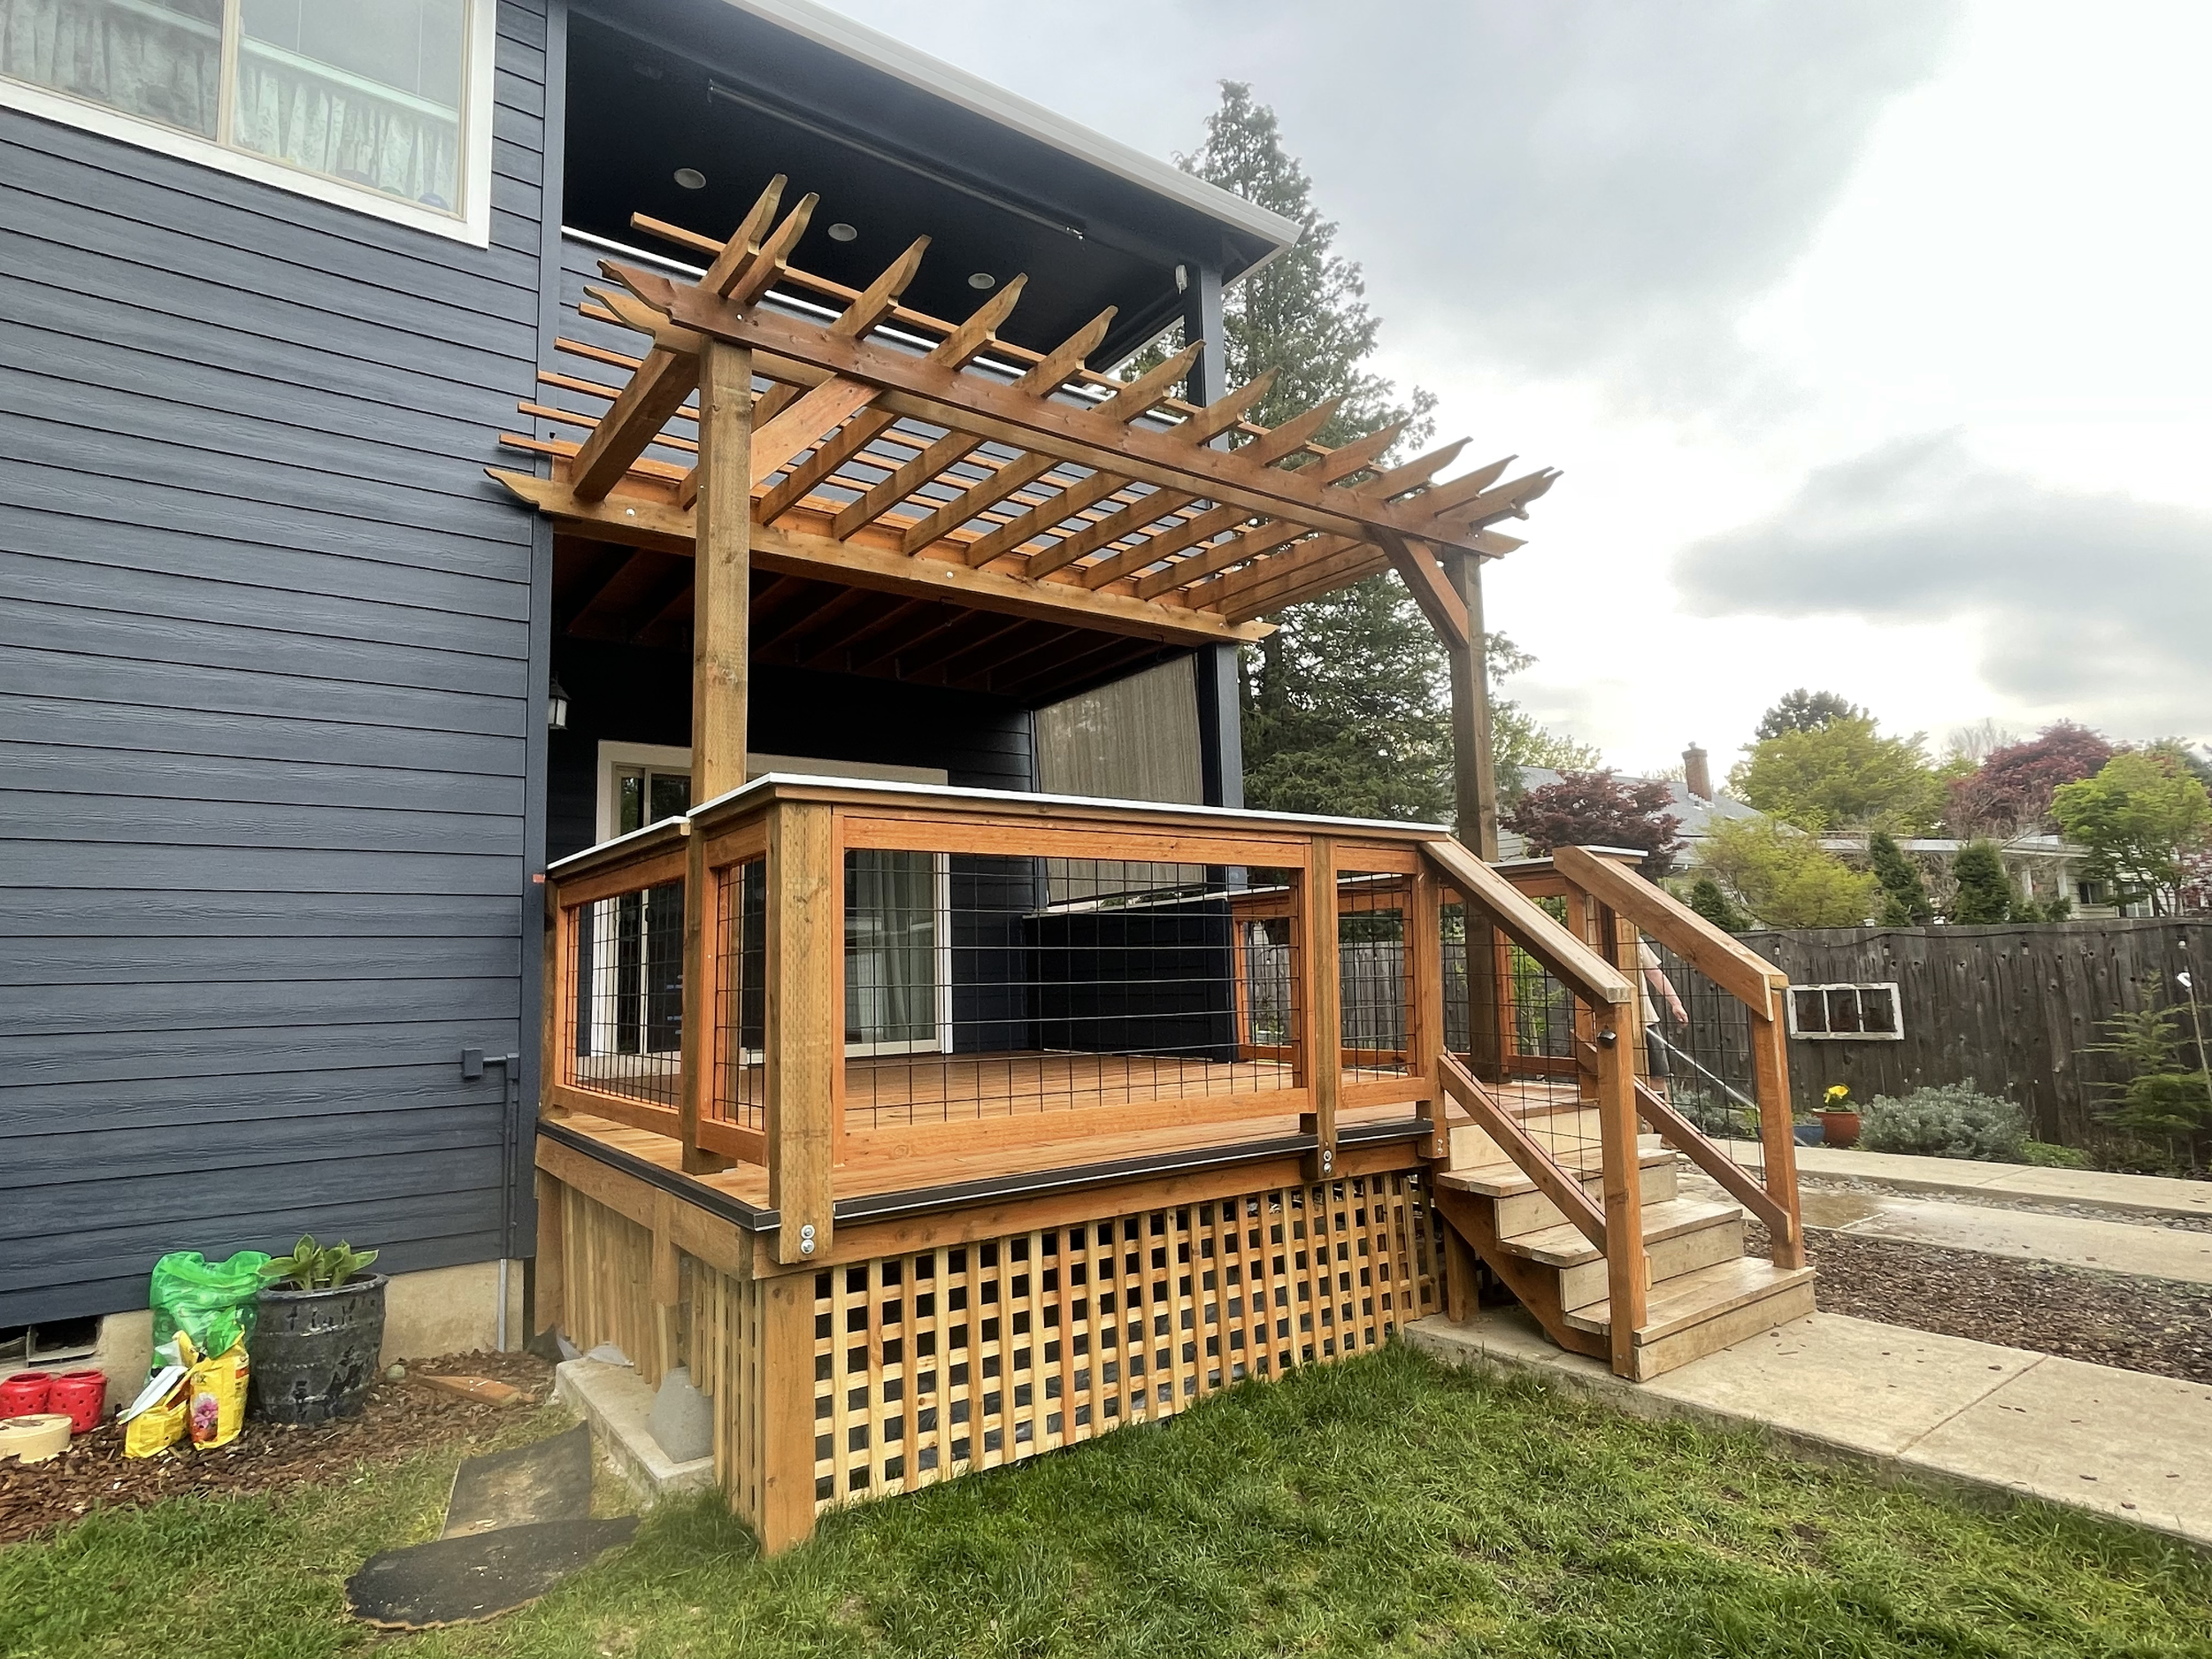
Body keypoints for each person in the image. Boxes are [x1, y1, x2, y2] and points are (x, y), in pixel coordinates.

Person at [1639, 938, 1688, 1094]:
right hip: (1605, 1020)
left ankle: (1660, 1118)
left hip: (1645, 1019)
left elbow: (1654, 972)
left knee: (1658, 1075)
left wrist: (1676, 1003)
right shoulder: (1588, 940)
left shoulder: (1632, 938)